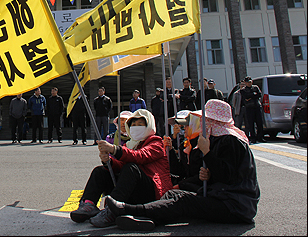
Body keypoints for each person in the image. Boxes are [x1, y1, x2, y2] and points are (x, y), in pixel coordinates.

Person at [106, 99, 259, 232]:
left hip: (235, 204)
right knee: (173, 196)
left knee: (184, 201)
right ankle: (147, 218)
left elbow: (228, 176)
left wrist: (207, 154)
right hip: (221, 195)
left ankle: (129, 210)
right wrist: (208, 174)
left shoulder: (231, 141)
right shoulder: (215, 140)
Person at [70, 109, 173, 228]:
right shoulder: (130, 144)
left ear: (149, 124)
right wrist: (108, 161)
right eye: (133, 125)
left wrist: (115, 150)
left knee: (131, 168)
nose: (136, 127)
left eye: (140, 124)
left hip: (151, 191)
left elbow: (140, 156)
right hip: (132, 187)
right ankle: (89, 204)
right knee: (101, 171)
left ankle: (112, 210)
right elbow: (120, 166)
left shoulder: (156, 142)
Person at [241, 76, 265, 144]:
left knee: (259, 123)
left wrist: (251, 96)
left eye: (250, 82)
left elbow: (259, 95)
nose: (249, 83)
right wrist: (253, 95)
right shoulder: (243, 90)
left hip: (257, 107)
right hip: (249, 108)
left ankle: (260, 137)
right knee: (251, 124)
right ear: (245, 82)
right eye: (248, 82)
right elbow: (246, 97)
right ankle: (253, 138)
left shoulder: (255, 87)